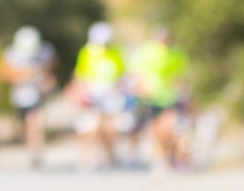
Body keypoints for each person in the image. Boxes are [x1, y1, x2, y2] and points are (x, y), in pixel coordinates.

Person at [128, 27, 192, 169]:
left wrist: (183, 92)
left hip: (170, 97)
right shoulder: (145, 51)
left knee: (174, 128)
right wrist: (139, 88)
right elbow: (135, 74)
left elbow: (182, 76)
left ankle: (176, 158)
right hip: (150, 98)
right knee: (155, 130)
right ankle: (160, 157)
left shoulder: (177, 53)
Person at [67, 22, 128, 171]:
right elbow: (79, 75)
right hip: (92, 95)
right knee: (92, 126)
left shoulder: (116, 52)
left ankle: (109, 156)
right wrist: (80, 92)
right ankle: (87, 158)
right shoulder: (87, 52)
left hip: (111, 95)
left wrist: (119, 89)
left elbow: (122, 74)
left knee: (110, 128)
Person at [0, 26, 57, 168]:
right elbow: (4, 74)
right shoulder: (11, 54)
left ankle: (37, 152)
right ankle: (30, 149)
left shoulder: (46, 52)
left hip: (38, 95)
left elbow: (52, 69)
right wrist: (23, 76)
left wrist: (48, 81)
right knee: (25, 126)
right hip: (21, 96)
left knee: (36, 122)